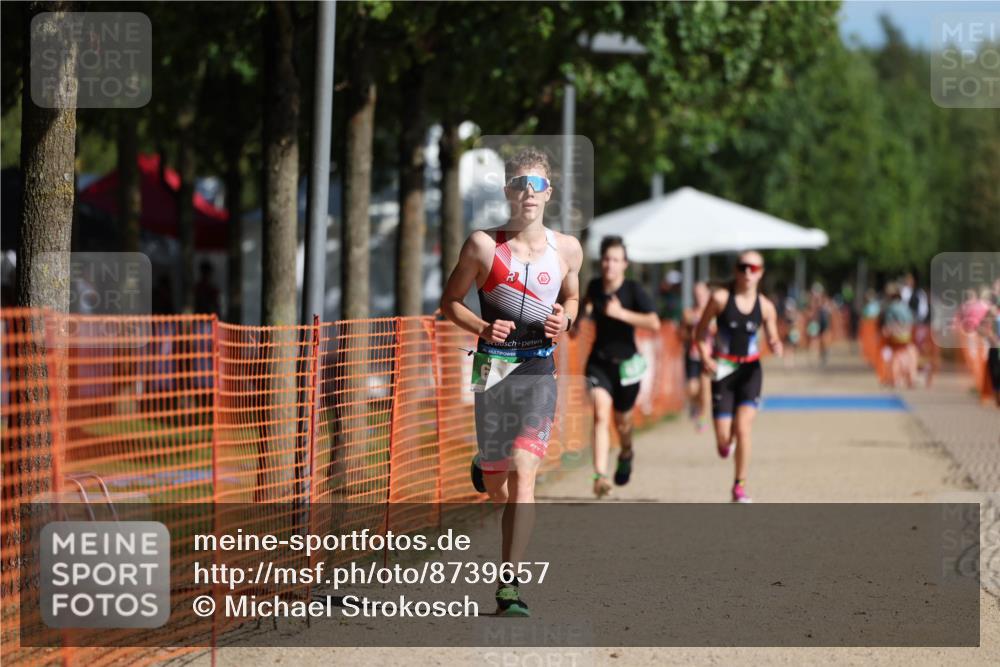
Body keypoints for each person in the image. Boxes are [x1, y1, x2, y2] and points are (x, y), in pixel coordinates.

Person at [440, 147, 582, 616]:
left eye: (536, 184)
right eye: (519, 184)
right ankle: (484, 462)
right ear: (507, 191)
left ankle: (509, 586)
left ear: (549, 193)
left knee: (525, 474)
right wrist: (481, 328)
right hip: (492, 368)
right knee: (498, 485)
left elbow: (574, 295)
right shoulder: (483, 245)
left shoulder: (568, 249)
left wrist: (566, 318)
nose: (528, 193)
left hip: (540, 367)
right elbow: (450, 302)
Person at [572, 236, 660, 497]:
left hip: (627, 366)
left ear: (625, 264)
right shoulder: (595, 286)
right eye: (607, 259)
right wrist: (576, 323)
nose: (610, 265)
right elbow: (587, 305)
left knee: (623, 421)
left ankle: (626, 451)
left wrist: (621, 314)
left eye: (616, 260)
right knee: (600, 414)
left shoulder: (633, 290)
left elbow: (654, 322)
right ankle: (599, 476)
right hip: (599, 363)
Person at [694, 251, 782, 503]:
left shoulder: (765, 306)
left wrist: (776, 344)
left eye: (753, 268)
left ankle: (739, 486)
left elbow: (773, 334)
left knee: (743, 428)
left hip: (750, 371)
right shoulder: (720, 299)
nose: (748, 273)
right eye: (743, 267)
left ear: (761, 273)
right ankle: (725, 443)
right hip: (723, 370)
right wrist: (705, 356)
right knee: (724, 440)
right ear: (736, 270)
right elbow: (700, 333)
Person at [681, 281, 713, 431]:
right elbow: (682, 333)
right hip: (693, 355)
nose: (698, 297)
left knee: (705, 387)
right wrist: (688, 330)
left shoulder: (714, 313)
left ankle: (702, 418)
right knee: (693, 388)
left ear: (708, 294)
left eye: (701, 294)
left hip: (709, 355)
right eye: (696, 294)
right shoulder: (688, 313)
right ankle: (694, 404)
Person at [881, 283, 917, 388]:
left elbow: (889, 324)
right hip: (907, 334)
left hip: (896, 335)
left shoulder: (891, 308)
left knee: (895, 357)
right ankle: (911, 378)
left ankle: (895, 379)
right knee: (909, 355)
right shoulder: (905, 307)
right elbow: (911, 321)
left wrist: (886, 334)